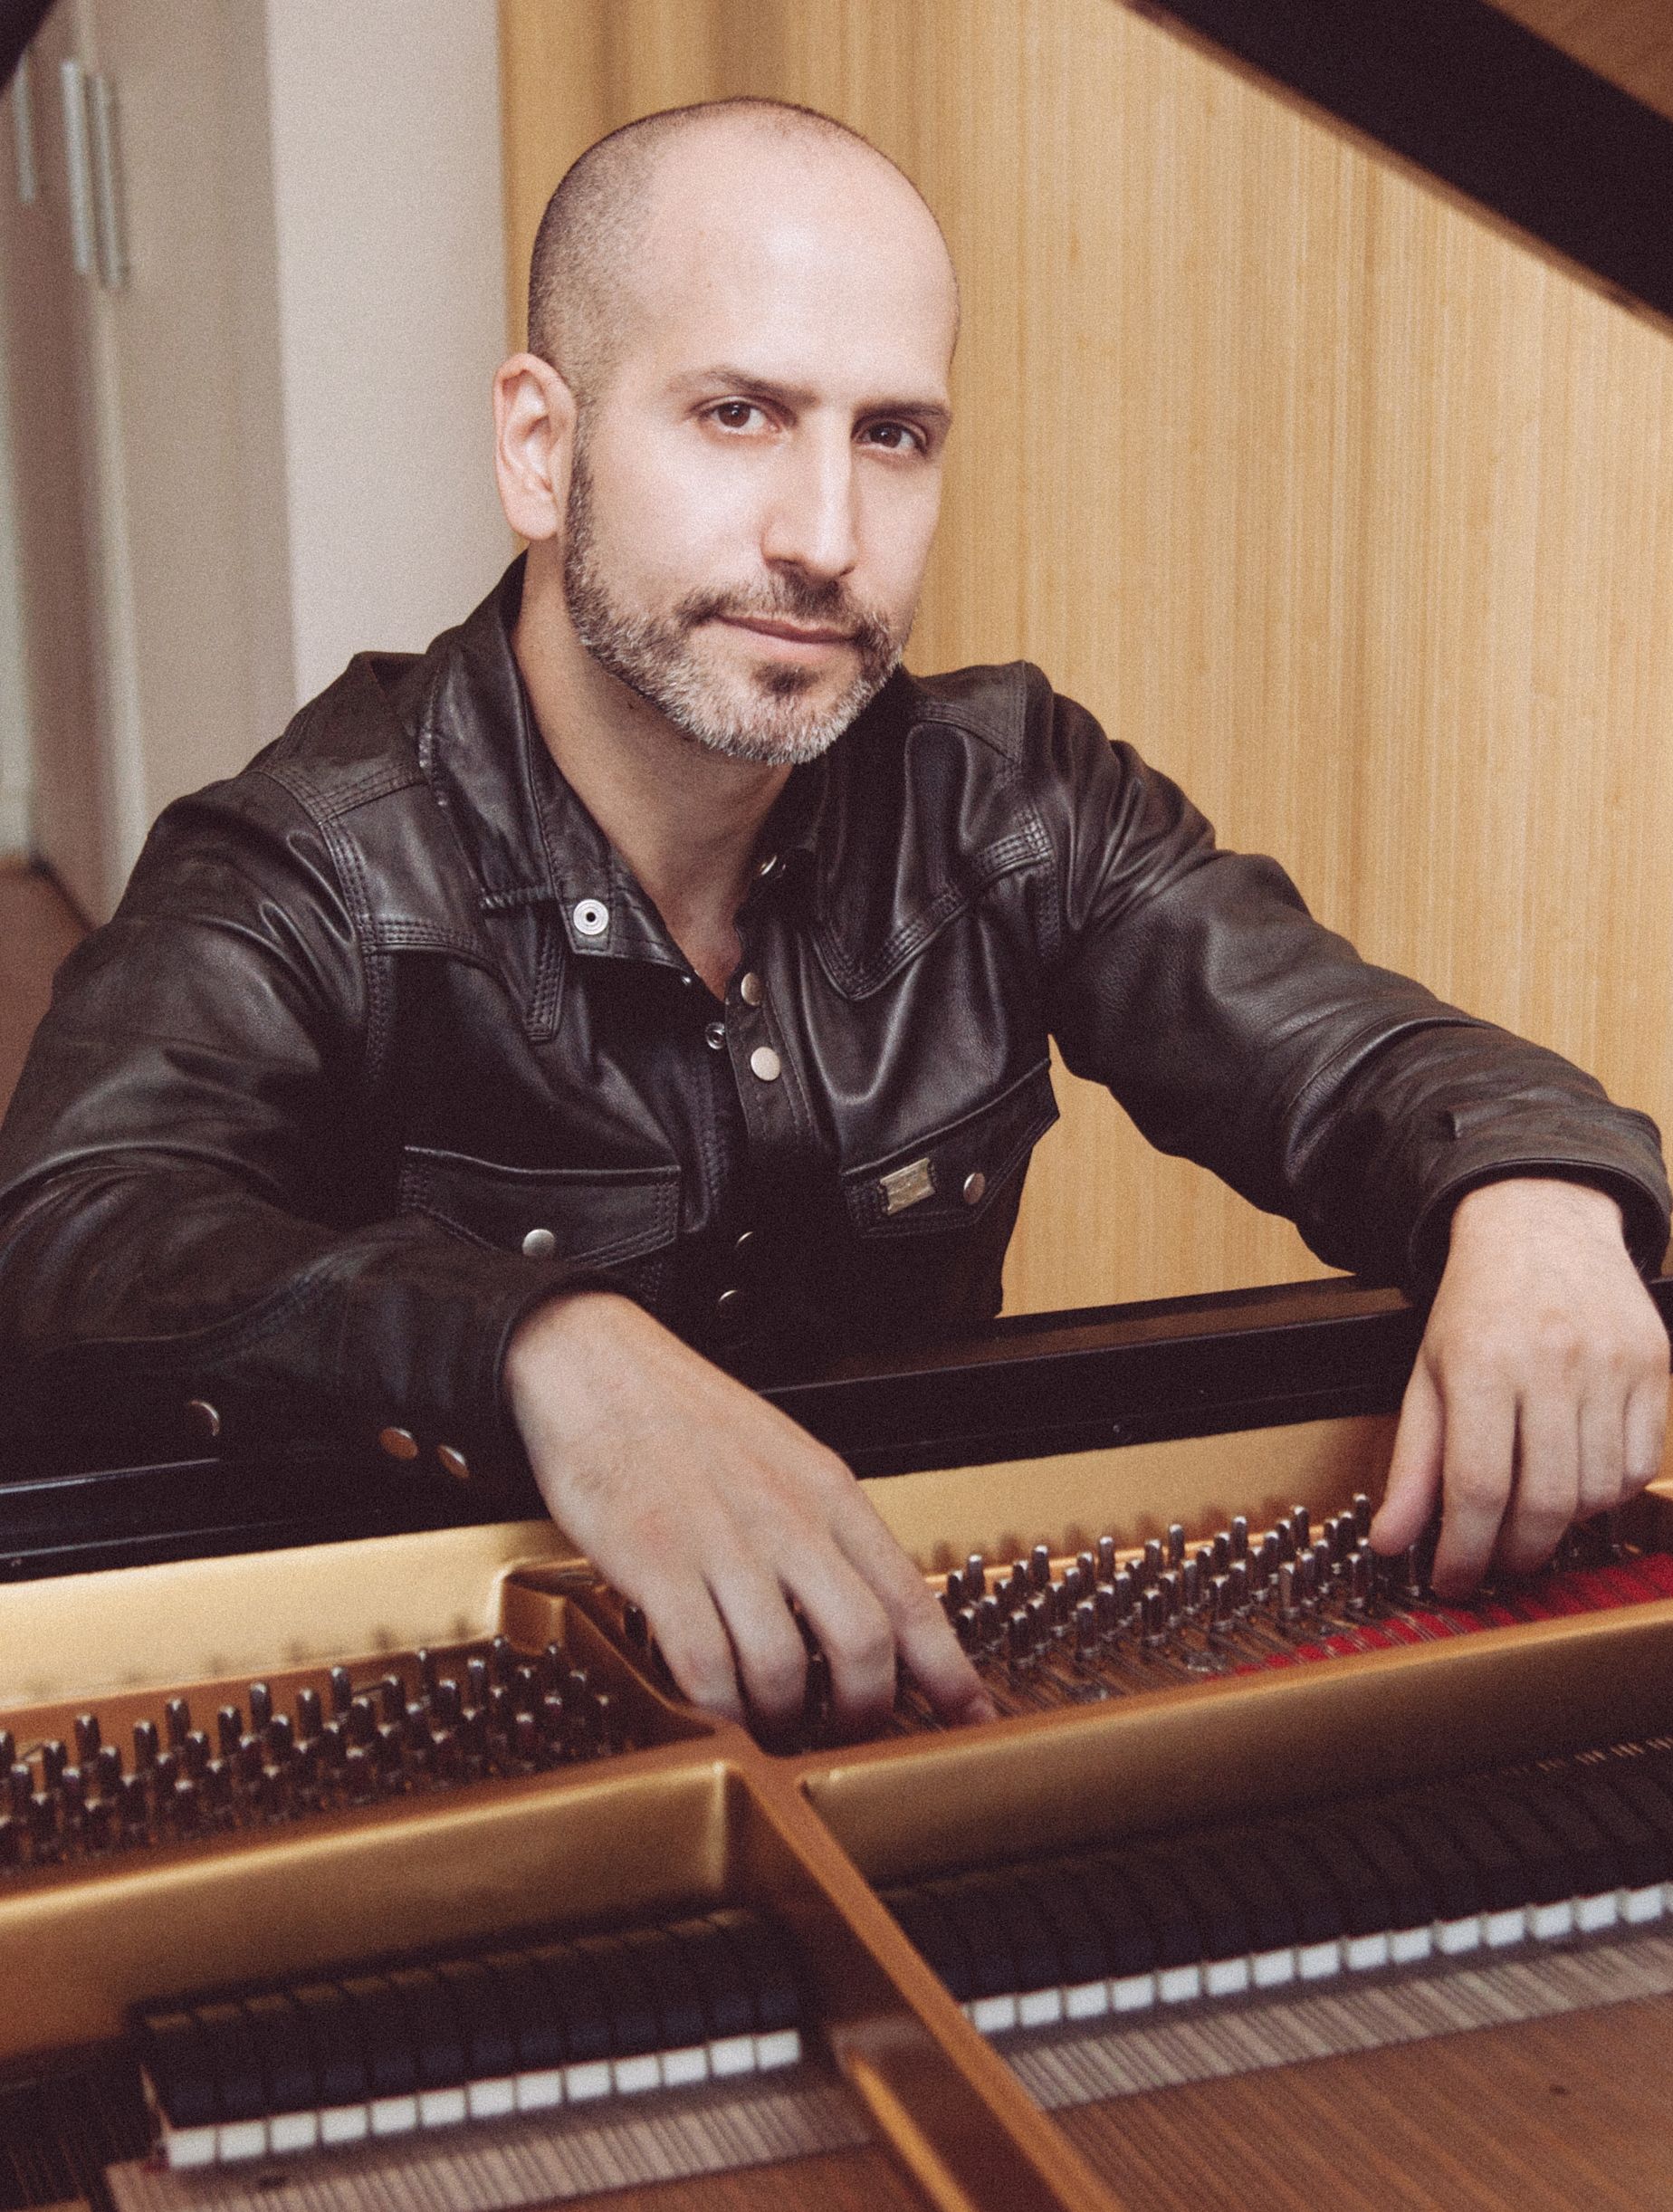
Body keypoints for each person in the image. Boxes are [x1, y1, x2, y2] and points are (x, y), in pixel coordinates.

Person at [0, 100, 1667, 1735]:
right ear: (540, 448)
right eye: (738, 415)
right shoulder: (315, 865)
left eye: (892, 436)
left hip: (902, 1668)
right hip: (456, 1700)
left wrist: (1531, 1188)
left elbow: (1348, 1056)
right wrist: (543, 1349)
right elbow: (73, 1234)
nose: (825, 538)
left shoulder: (1009, 800)